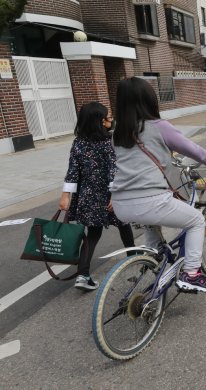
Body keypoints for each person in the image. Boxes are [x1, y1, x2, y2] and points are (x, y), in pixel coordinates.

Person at [110, 77, 206, 293]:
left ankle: (151, 264)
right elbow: (192, 150)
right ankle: (191, 273)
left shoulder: (117, 133)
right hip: (151, 201)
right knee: (195, 220)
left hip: (121, 204)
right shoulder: (158, 126)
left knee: (152, 228)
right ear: (149, 100)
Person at [59, 102, 135, 291]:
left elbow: (72, 172)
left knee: (92, 234)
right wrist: (115, 195)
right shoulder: (106, 143)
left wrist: (65, 195)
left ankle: (83, 275)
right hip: (109, 195)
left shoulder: (78, 143)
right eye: (107, 117)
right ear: (99, 122)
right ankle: (134, 260)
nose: (110, 119)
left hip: (88, 197)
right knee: (124, 225)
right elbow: (113, 171)